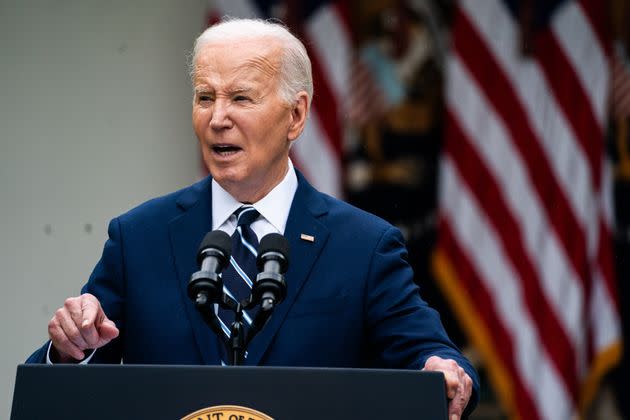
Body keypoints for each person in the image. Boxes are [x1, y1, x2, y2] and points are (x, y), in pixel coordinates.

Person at [26, 18, 478, 418]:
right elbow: (64, 381)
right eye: (205, 97)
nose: (217, 118)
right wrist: (69, 351)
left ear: (296, 116)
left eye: (241, 97)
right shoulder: (139, 237)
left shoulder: (363, 245)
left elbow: (429, 354)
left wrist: (442, 371)